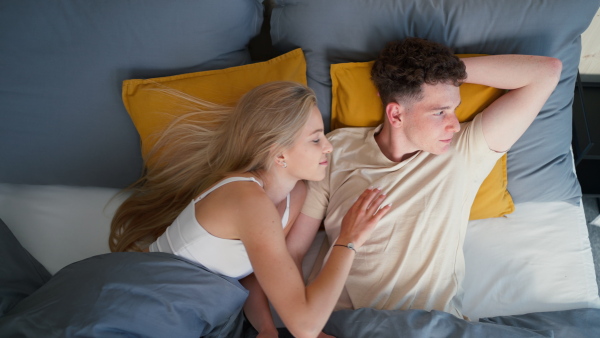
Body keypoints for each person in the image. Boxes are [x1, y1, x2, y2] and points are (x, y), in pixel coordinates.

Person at [292, 38, 562, 319]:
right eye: (439, 112)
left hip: (431, 324)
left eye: (454, 109)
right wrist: (307, 328)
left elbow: (546, 72)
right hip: (348, 323)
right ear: (396, 114)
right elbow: (293, 251)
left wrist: (443, 73)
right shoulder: (337, 149)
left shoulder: (465, 150)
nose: (454, 124)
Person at [109, 81, 391, 338]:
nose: (329, 147)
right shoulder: (247, 200)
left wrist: (266, 326)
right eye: (316, 139)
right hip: (148, 302)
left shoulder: (296, 193)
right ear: (279, 153)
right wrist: (347, 241)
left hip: (193, 312)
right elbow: (304, 326)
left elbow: (257, 268)